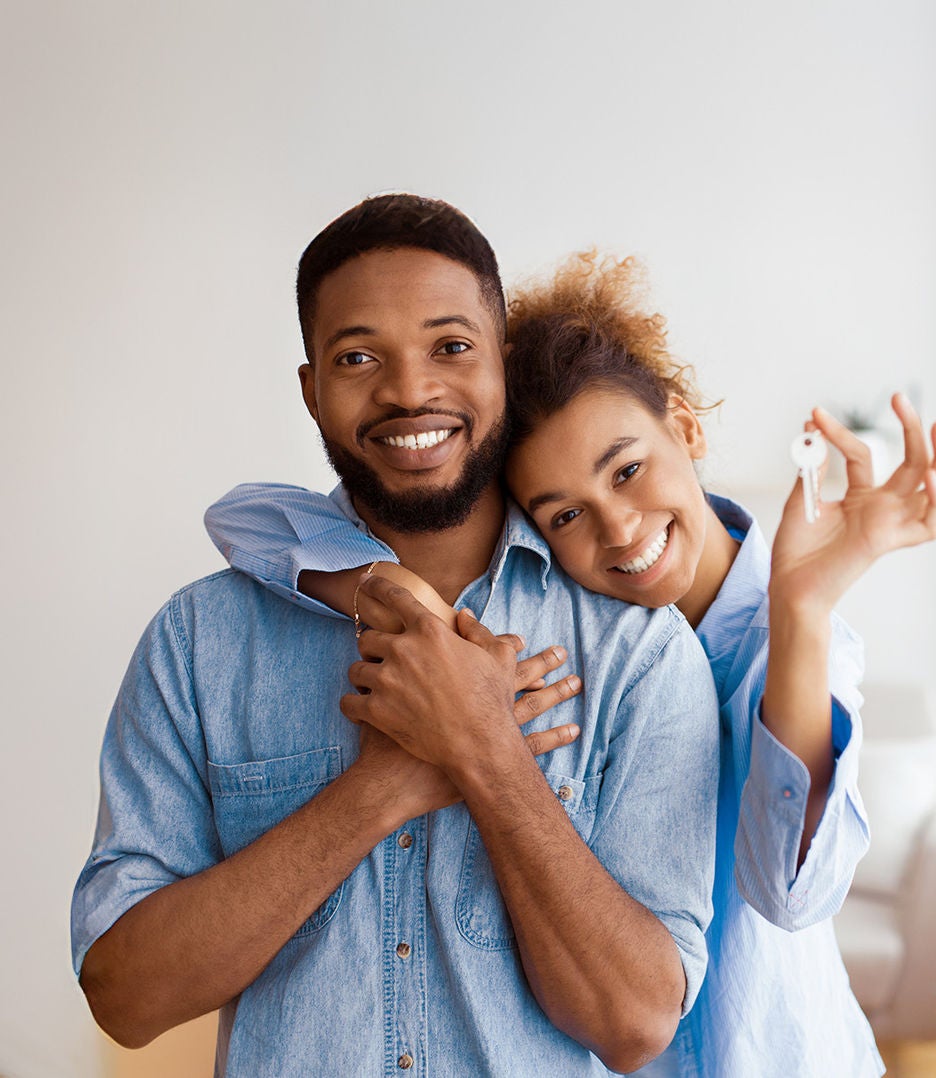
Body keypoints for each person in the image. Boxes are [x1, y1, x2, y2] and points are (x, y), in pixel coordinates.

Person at [204, 247, 936, 1075]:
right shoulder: (577, 630)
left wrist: (804, 610)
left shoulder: (788, 640)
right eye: (565, 515)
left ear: (686, 424)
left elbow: (794, 893)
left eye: (628, 470)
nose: (621, 530)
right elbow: (246, 518)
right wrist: (397, 592)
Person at [71, 195, 720, 1075]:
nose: (410, 390)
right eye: (358, 357)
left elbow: (636, 1022)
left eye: (451, 347)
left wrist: (485, 749)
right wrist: (385, 787)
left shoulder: (637, 653)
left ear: (501, 364)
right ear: (311, 389)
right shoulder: (199, 643)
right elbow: (126, 998)